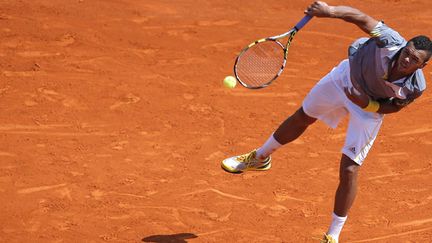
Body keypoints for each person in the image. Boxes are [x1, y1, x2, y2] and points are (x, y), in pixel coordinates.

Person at [221, 1, 432, 242]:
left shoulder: (416, 87)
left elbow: (394, 107)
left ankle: (333, 235)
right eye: (406, 53)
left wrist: (368, 104)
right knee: (303, 116)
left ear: (422, 65)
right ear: (403, 47)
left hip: (369, 107)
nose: (406, 60)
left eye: (414, 59)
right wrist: (329, 11)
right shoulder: (390, 40)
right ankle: (259, 158)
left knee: (351, 168)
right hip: (344, 78)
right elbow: (360, 17)